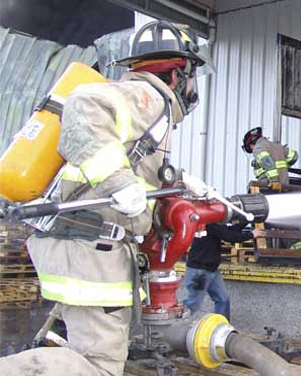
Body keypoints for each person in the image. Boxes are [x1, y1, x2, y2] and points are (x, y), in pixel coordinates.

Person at [0, 21, 210, 376]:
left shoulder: (147, 110)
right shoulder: (148, 96)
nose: (192, 87)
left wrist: (184, 183)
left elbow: (131, 163)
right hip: (91, 252)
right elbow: (83, 107)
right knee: (98, 366)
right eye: (192, 76)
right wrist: (120, 183)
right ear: (178, 73)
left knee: (76, 347)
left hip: (83, 246)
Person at [184, 224, 265, 319]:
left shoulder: (214, 224)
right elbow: (230, 236)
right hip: (199, 272)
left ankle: (222, 327)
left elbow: (227, 230)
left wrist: (244, 221)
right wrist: (251, 235)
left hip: (211, 270)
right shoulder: (210, 223)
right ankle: (174, 324)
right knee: (193, 303)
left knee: (223, 299)